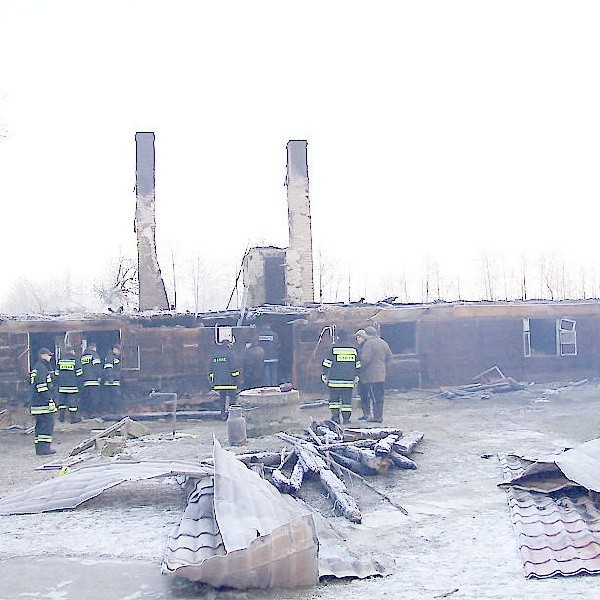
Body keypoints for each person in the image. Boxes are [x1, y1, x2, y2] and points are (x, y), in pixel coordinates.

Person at [321, 328, 360, 424]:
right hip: (349, 381)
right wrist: (356, 376)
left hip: (335, 381)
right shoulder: (353, 348)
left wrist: (324, 374)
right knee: (347, 401)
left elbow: (327, 363)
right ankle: (346, 419)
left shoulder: (333, 348)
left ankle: (335, 418)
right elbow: (358, 365)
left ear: (337, 336)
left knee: (334, 401)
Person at [359, 325, 393, 423]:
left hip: (371, 376)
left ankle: (377, 417)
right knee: (379, 396)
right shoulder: (383, 342)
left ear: (367, 334)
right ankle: (379, 415)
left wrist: (359, 369)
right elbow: (390, 357)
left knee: (374, 396)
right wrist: (384, 368)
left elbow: (366, 359)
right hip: (381, 375)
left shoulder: (369, 344)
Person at [28, 347, 57, 455]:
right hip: (42, 404)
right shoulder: (42, 368)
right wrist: (49, 400)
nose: (50, 357)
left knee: (40, 426)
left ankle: (40, 448)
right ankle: (45, 449)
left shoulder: (37, 367)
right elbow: (42, 387)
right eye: (48, 355)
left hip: (36, 403)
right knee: (47, 425)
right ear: (42, 355)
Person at [209, 337, 240, 419]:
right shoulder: (231, 354)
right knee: (232, 398)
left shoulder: (215, 355)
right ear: (228, 345)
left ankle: (222, 414)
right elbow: (234, 369)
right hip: (230, 383)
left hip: (219, 383)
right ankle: (231, 415)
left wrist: (213, 382)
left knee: (222, 398)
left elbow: (211, 370)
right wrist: (237, 380)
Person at [55, 346, 83, 423]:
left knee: (62, 402)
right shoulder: (75, 360)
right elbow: (79, 374)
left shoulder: (60, 360)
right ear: (72, 351)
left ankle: (61, 417)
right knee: (73, 403)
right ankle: (73, 419)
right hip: (72, 386)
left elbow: (56, 374)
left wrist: (57, 384)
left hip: (62, 386)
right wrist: (80, 385)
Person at [354, 329, 373, 420]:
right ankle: (365, 414)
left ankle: (368, 414)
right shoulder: (358, 347)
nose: (358, 338)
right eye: (357, 337)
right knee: (362, 394)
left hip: (366, 374)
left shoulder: (366, 347)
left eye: (359, 337)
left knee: (367, 394)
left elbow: (365, 360)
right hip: (361, 375)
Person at [80, 341, 102, 417]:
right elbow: (97, 367)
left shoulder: (83, 356)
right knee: (94, 397)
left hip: (85, 380)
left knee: (87, 397)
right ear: (94, 347)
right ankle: (93, 413)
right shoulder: (94, 354)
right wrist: (99, 376)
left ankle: (87, 412)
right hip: (93, 380)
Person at [103, 343, 122, 414]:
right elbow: (108, 368)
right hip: (112, 382)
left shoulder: (114, 357)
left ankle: (113, 411)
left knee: (114, 397)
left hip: (114, 381)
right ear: (115, 349)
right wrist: (110, 378)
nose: (119, 352)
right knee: (113, 397)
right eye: (119, 350)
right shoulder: (110, 357)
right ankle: (112, 412)